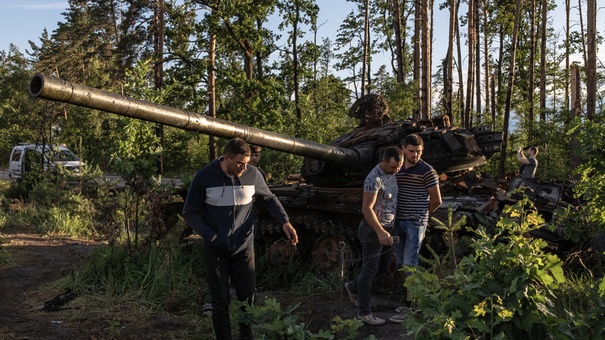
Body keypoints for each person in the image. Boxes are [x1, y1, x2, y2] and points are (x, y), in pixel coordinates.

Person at [182, 138, 298, 340]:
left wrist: (284, 221)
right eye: (240, 163)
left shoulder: (253, 174)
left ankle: (246, 336)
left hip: (244, 248)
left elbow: (269, 198)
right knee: (220, 302)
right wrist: (210, 235)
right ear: (226, 157)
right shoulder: (204, 177)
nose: (245, 167)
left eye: (247, 162)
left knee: (247, 300)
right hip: (216, 248)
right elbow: (190, 212)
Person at [344, 146, 404, 326]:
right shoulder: (374, 178)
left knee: (383, 267)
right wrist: (380, 231)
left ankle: (353, 286)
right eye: (393, 167)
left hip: (388, 228)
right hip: (373, 230)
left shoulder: (391, 174)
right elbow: (366, 209)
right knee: (369, 271)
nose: (396, 170)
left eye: (399, 166)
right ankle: (364, 312)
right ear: (384, 161)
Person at [390, 134, 442, 323]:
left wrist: (422, 214)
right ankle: (408, 300)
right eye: (411, 151)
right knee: (401, 262)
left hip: (415, 223)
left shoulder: (427, 171)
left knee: (410, 263)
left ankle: (413, 306)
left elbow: (437, 200)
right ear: (403, 148)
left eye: (418, 151)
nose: (414, 155)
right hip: (397, 223)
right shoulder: (397, 169)